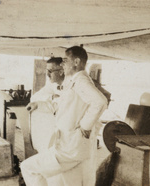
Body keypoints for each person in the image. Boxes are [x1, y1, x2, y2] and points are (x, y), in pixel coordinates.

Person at [20, 46, 108, 186]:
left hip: (70, 146)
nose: (63, 64)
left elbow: (101, 102)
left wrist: (85, 126)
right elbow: (61, 105)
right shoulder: (74, 81)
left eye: (66, 61)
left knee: (28, 168)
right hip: (69, 143)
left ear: (76, 62)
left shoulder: (81, 81)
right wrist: (39, 105)